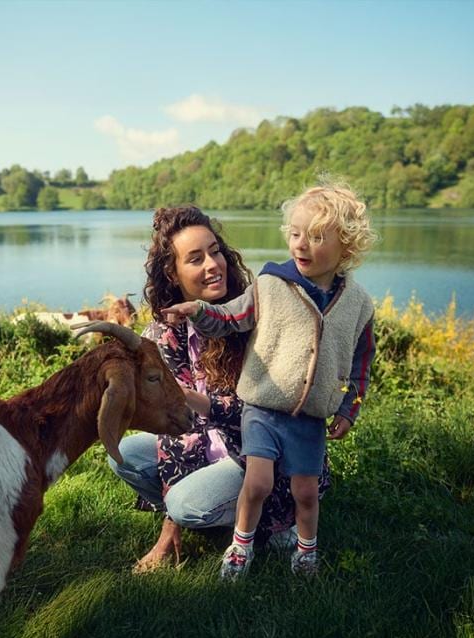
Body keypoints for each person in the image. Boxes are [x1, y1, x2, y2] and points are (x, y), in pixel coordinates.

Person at [162, 181, 377, 580]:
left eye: (315, 237)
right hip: (261, 409)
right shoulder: (270, 285)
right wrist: (198, 310)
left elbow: (363, 361)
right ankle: (241, 547)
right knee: (257, 483)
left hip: (310, 418)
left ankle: (305, 550)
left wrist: (350, 407)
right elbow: (230, 318)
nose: (301, 245)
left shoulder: (359, 304)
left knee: (306, 494)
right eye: (295, 234)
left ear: (346, 246)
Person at [108, 205, 331, 573]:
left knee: (185, 504)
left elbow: (271, 410)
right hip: (208, 446)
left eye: (215, 251)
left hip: (266, 452)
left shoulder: (254, 313)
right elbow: (173, 427)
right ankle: (213, 516)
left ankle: (273, 523)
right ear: (172, 273)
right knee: (125, 453)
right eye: (195, 259)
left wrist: (197, 401)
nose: (213, 265)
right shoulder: (164, 332)